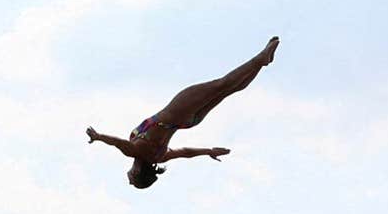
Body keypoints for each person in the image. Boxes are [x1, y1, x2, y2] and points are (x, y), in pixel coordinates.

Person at [86, 36, 279, 188]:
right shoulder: (135, 151)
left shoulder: (159, 157)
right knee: (220, 85)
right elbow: (117, 142)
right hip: (175, 115)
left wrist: (208, 151)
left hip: (189, 122)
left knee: (228, 90)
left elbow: (185, 152)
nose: (128, 179)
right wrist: (98, 136)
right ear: (137, 174)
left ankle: (262, 64)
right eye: (132, 181)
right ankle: (259, 59)